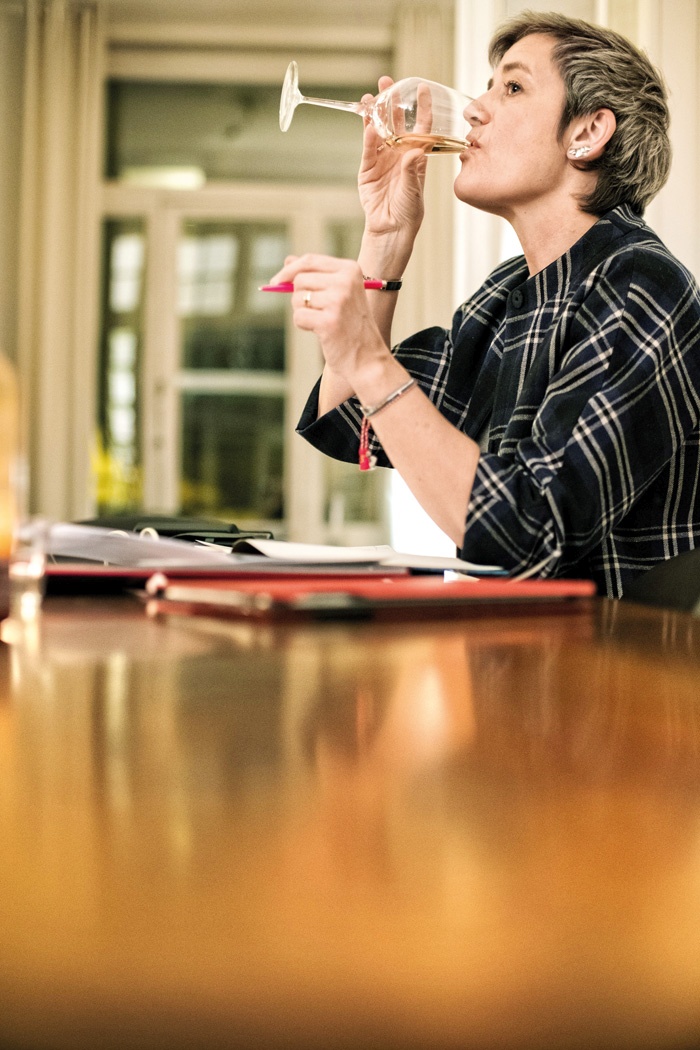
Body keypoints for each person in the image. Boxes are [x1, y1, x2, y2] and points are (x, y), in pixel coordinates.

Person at [269, 11, 700, 598]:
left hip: (613, 676)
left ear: (588, 133)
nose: (474, 107)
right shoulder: (508, 293)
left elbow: (528, 536)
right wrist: (386, 240)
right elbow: (359, 418)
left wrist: (370, 359)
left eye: (513, 87)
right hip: (513, 662)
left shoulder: (642, 285)